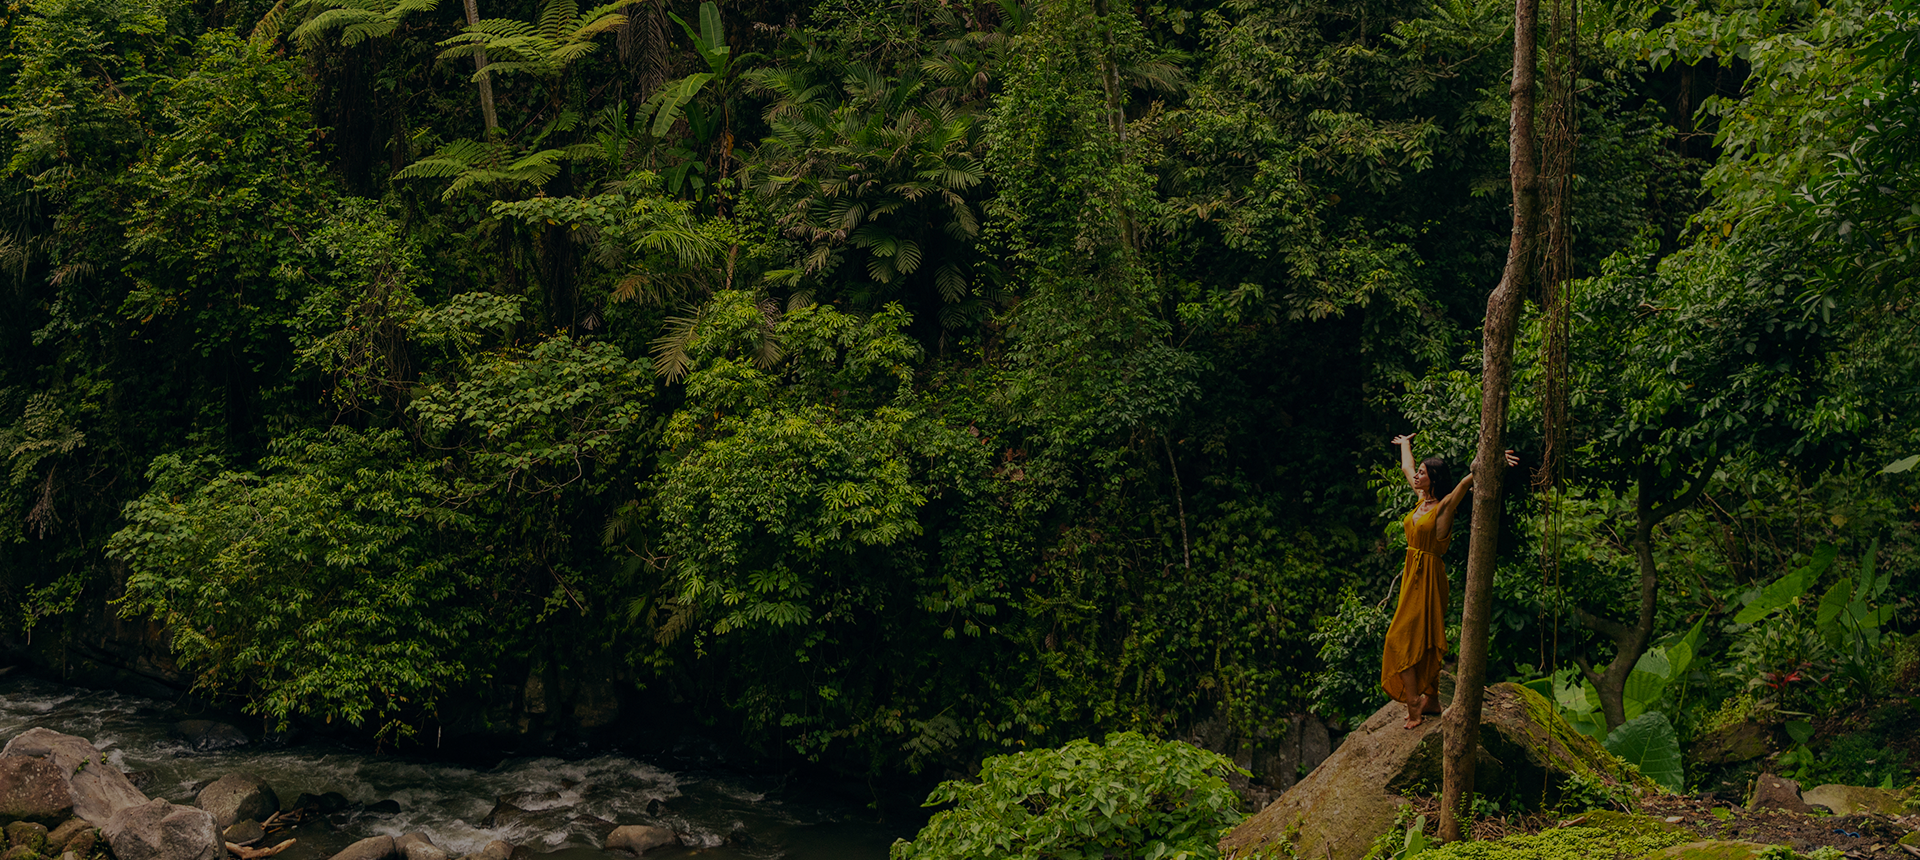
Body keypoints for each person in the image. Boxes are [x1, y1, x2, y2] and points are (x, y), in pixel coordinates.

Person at [1380, 433, 1517, 729]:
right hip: (1412, 575)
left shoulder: (1443, 506)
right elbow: (1406, 467)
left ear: (1434, 479)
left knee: (1399, 639)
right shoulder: (1421, 499)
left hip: (1429, 577)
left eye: (1423, 473)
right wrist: (1405, 445)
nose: (1417, 476)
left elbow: (1466, 482)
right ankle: (1431, 699)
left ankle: (1414, 705)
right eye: (1418, 472)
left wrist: (1493, 460)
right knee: (1417, 637)